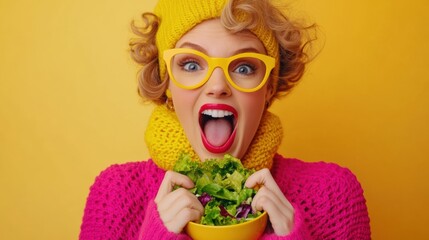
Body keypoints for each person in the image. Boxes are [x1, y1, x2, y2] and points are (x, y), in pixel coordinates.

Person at [79, 0, 371, 239]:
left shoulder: (332, 195)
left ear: (268, 87)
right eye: (191, 64)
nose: (217, 86)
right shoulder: (116, 196)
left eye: (244, 67)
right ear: (166, 81)